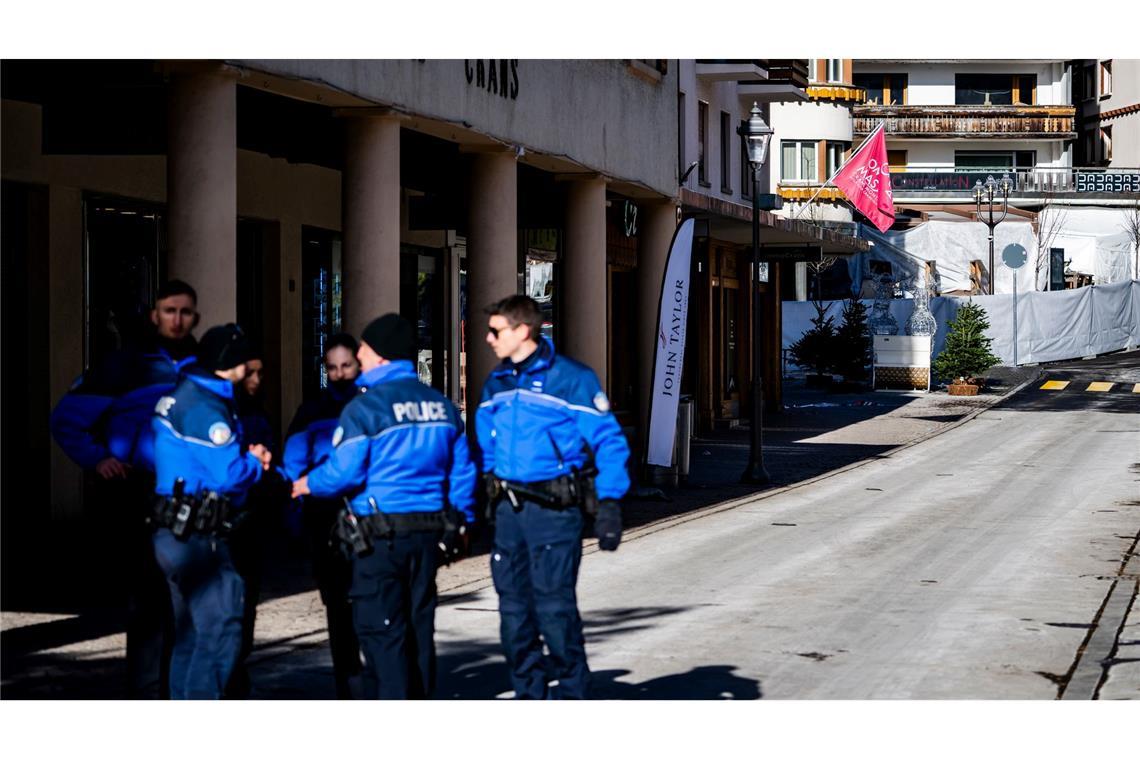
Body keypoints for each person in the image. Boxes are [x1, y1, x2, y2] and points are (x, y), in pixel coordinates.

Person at [292, 314, 476, 699]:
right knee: (418, 629)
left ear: (380, 355)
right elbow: (462, 474)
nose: (359, 355)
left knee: (384, 635)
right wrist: (462, 522)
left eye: (363, 349)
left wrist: (307, 483)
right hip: (427, 536)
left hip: (379, 539)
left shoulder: (366, 409)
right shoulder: (442, 407)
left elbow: (343, 473)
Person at [49, 278, 200, 699]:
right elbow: (66, 420)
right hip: (143, 493)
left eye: (185, 311)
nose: (177, 319)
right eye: (168, 310)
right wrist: (98, 458)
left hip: (195, 496)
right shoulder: (121, 366)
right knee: (151, 601)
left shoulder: (203, 365)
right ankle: (148, 695)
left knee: (190, 598)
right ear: (154, 316)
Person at [477, 295, 630, 699]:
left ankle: (572, 693)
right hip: (509, 513)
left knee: (554, 611)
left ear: (522, 331)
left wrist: (610, 502)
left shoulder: (572, 379)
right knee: (513, 616)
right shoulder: (497, 381)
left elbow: (609, 442)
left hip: (554, 513)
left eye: (495, 331)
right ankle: (529, 693)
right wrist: (485, 493)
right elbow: (485, 442)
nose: (488, 339)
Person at [151, 324, 273, 699]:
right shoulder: (206, 407)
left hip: (174, 530)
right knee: (221, 629)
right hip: (198, 537)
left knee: (190, 636)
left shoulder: (185, 394)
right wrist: (255, 462)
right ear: (230, 362)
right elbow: (228, 476)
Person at [281, 333, 366, 698]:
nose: (339, 373)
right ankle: (347, 681)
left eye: (346, 365)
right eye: (332, 367)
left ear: (359, 365)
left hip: (365, 513)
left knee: (368, 599)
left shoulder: (371, 407)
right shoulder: (311, 411)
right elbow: (292, 466)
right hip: (325, 517)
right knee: (336, 603)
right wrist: (296, 517)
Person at [225, 348, 279, 698]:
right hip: (221, 520)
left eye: (261, 373)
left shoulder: (258, 418)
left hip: (252, 520)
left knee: (246, 600)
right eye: (251, 373)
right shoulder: (219, 415)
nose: (257, 381)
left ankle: (236, 669)